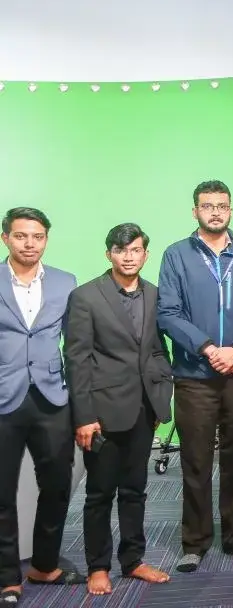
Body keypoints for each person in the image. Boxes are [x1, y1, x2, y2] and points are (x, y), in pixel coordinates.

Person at [157, 180, 233, 573]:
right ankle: (196, 541)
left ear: (231, 210)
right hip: (194, 374)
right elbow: (168, 313)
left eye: (222, 205)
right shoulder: (176, 255)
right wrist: (208, 348)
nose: (215, 212)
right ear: (195, 212)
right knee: (196, 460)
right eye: (207, 206)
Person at [64, 224, 173, 596]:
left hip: (144, 409)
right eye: (121, 249)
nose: (129, 256)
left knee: (136, 490)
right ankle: (98, 566)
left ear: (145, 254)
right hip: (103, 413)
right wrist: (84, 416)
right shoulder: (85, 297)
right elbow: (76, 361)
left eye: (137, 249)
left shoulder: (156, 294)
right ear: (109, 253)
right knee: (99, 494)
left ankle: (133, 560)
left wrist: (160, 396)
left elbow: (159, 350)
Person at [0, 207, 84, 606]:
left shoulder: (66, 282)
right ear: (6, 239)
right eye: (21, 236)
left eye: (37, 236)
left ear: (46, 239)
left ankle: (44, 563)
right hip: (3, 398)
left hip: (52, 397)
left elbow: (78, 345)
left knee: (57, 485)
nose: (29, 243)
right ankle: (6, 576)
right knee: (1, 492)